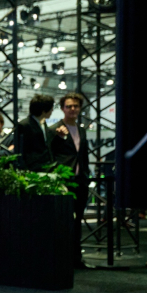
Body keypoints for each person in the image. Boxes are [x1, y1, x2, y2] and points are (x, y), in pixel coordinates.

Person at [50, 92, 93, 269]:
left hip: (80, 181)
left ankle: (76, 258)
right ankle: (62, 259)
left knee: (77, 221)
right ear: (62, 109)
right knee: (62, 221)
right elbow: (50, 154)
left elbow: (83, 155)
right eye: (69, 106)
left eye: (75, 106)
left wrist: (86, 175)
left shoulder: (81, 130)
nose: (72, 109)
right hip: (64, 181)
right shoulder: (54, 130)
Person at [14, 94, 55, 170]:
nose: (52, 111)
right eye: (51, 109)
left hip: (46, 167)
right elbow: (21, 151)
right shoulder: (24, 125)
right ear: (44, 111)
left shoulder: (44, 123)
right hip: (31, 168)